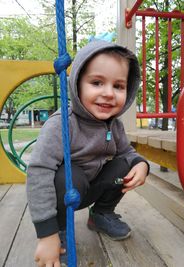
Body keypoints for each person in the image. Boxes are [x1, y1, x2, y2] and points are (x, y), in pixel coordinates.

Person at [26, 40, 149, 267]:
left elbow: (127, 152)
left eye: (119, 86)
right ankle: (59, 230)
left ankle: (100, 214)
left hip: (95, 187)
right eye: (97, 82)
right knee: (68, 175)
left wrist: (141, 164)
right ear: (77, 84)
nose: (109, 93)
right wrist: (46, 232)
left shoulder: (114, 124)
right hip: (66, 192)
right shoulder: (61, 123)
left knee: (125, 164)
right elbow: (38, 172)